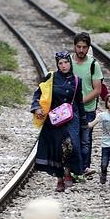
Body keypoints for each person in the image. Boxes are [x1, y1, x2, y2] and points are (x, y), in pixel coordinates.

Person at [30, 51, 86, 192]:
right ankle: (60, 178)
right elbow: (38, 93)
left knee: (71, 144)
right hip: (54, 118)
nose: (63, 65)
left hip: (71, 118)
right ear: (57, 64)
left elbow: (79, 102)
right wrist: (36, 108)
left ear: (70, 63)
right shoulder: (51, 77)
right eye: (60, 63)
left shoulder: (77, 80)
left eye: (66, 62)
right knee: (56, 148)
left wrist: (84, 122)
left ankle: (68, 172)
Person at [71, 32, 104, 177]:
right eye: (78, 47)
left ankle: (84, 167)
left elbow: (97, 90)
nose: (81, 50)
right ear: (74, 47)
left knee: (85, 139)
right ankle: (73, 168)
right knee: (72, 138)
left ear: (88, 48)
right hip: (70, 109)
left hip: (88, 108)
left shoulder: (93, 65)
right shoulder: (68, 62)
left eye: (84, 47)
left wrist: (81, 100)